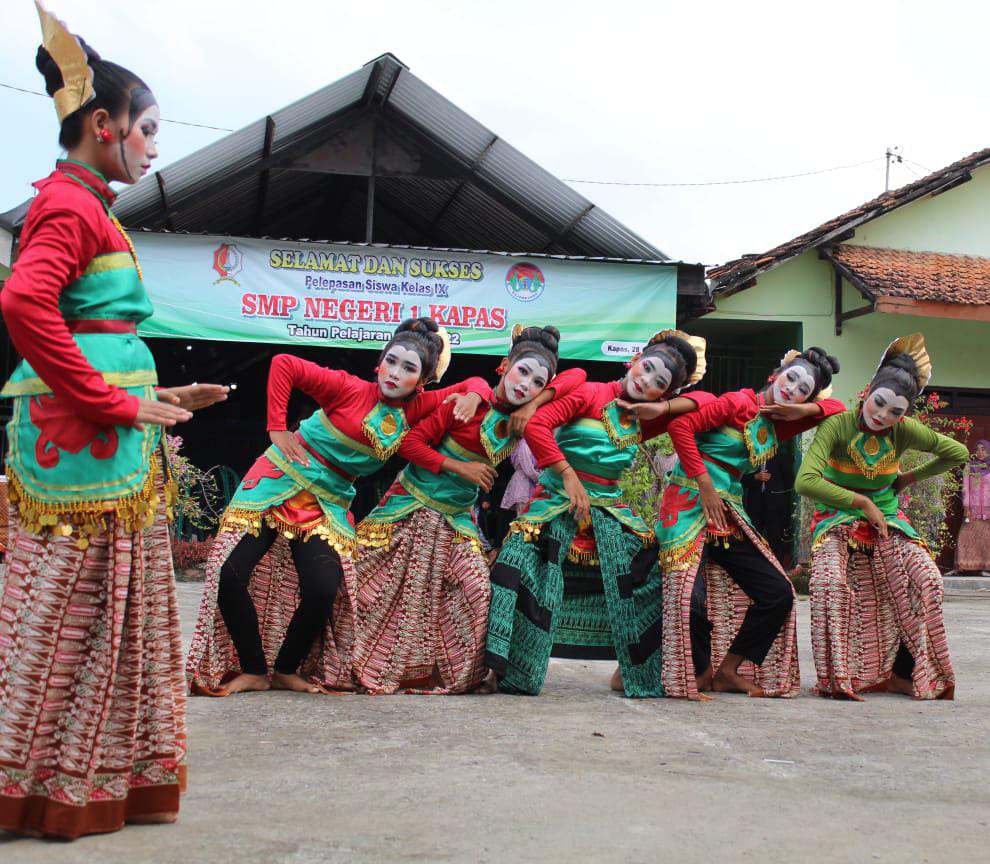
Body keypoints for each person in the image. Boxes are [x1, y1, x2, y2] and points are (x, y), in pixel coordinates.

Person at [0, 5, 228, 839]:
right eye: (149, 130)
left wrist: (166, 398)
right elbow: (24, 302)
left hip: (104, 442)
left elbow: (89, 324)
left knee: (100, 613)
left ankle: (80, 778)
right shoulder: (71, 206)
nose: (154, 148)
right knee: (71, 612)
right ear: (104, 125)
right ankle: (41, 786)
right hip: (83, 442)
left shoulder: (85, 204)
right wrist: (108, 400)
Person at [186, 319, 488, 696]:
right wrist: (277, 428)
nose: (395, 373)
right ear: (379, 362)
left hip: (328, 501)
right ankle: (252, 669)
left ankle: (285, 669)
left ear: (423, 382)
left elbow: (475, 383)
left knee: (323, 588)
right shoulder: (346, 387)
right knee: (228, 575)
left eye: (409, 369)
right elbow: (284, 363)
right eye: (391, 362)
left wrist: (476, 396)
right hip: (280, 478)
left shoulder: (418, 409)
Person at [354, 326, 584, 694]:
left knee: (477, 589)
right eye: (521, 372)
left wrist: (533, 406)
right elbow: (409, 443)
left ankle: (458, 675)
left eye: (537, 382)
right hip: (410, 505)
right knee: (367, 584)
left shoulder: (523, 420)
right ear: (504, 366)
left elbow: (579, 377)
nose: (525, 384)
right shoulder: (465, 401)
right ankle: (360, 662)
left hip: (457, 520)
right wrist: (461, 467)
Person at [486, 330, 712, 697]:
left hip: (610, 510)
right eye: (647, 367)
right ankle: (506, 668)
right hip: (556, 500)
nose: (646, 380)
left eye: (659, 383)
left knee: (656, 570)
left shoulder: (644, 417)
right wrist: (567, 475)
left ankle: (634, 670)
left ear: (665, 394)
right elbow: (538, 426)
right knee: (513, 564)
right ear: (634, 360)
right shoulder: (590, 392)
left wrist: (663, 409)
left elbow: (706, 403)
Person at [659, 348, 844, 700]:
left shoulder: (781, 423)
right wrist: (705, 485)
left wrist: (801, 410)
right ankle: (697, 673)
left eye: (803, 389)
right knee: (687, 593)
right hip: (686, 500)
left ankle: (729, 670)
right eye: (791, 377)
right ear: (776, 374)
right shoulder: (736, 403)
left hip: (727, 513)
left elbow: (838, 410)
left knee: (778, 593)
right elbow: (679, 425)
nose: (792, 389)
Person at [796, 334, 964, 700]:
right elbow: (804, 481)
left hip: (890, 522)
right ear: (868, 391)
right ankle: (836, 680)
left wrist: (908, 478)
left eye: (895, 412)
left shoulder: (902, 432)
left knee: (929, 581)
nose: (882, 416)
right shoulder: (838, 425)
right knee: (829, 585)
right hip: (836, 521)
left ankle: (906, 674)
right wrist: (862, 503)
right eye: (880, 403)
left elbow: (957, 451)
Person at [956, 439, 990, 575]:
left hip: (988, 508)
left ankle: (986, 568)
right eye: (978, 449)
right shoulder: (970, 466)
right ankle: (964, 566)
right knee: (965, 536)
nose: (980, 452)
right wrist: (966, 507)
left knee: (987, 537)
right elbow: (965, 488)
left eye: (984, 449)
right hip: (973, 508)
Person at [502, 438, 540, 516]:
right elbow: (528, 468)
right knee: (524, 517)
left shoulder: (526, 443)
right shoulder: (523, 445)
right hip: (523, 483)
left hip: (526, 482)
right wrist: (542, 479)